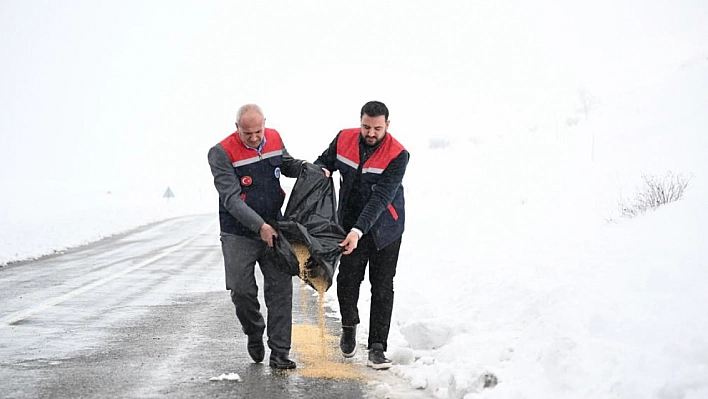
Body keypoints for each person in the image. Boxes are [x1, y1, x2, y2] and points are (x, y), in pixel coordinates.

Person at [314, 100, 409, 370]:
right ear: (360, 121)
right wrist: (322, 169)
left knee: (382, 286)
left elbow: (381, 198)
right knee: (347, 280)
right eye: (366, 126)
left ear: (387, 126)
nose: (370, 133)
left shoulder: (398, 154)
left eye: (377, 128)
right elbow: (324, 160)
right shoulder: (344, 138)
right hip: (349, 223)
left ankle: (378, 347)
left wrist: (359, 230)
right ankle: (348, 325)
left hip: (385, 229)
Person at [208, 104, 303, 370]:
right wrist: (260, 227)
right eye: (247, 133)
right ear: (236, 126)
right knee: (242, 291)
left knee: (281, 291)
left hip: (276, 227)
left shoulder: (273, 137)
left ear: (265, 124)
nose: (254, 138)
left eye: (258, 131)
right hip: (238, 232)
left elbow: (285, 164)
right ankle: (253, 329)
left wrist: (305, 168)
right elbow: (231, 199)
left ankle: (280, 352)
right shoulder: (221, 153)